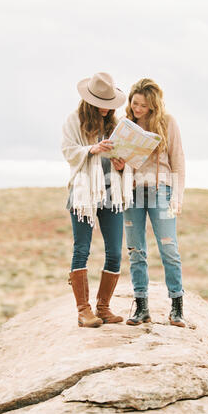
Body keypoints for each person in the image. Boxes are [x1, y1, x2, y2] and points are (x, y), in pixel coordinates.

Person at [61, 72, 133, 328]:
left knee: (114, 251)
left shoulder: (117, 123)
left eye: (111, 103)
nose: (108, 108)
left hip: (112, 194)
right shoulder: (74, 121)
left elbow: (128, 159)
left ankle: (103, 307)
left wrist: (122, 165)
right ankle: (83, 311)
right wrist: (90, 149)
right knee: (82, 249)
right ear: (91, 102)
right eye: (103, 103)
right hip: (84, 195)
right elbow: (68, 152)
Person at [123, 78, 186, 327]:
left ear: (153, 105)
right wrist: (119, 164)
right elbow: (121, 161)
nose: (137, 108)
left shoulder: (168, 122)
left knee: (169, 249)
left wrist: (177, 197)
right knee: (135, 250)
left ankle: (177, 307)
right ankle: (141, 307)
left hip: (162, 190)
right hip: (133, 192)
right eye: (134, 103)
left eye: (143, 105)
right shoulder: (126, 125)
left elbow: (178, 160)